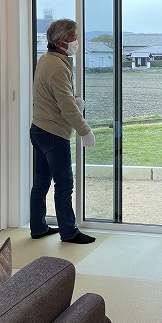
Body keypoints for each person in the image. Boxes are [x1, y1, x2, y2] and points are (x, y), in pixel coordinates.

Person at [30, 18, 97, 244]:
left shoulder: (46, 59)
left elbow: (55, 95)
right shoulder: (58, 67)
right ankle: (69, 232)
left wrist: (74, 100)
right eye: (73, 38)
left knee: (41, 182)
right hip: (53, 133)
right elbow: (66, 106)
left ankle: (38, 227)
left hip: (38, 129)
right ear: (60, 43)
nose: (76, 42)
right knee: (64, 184)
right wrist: (85, 130)